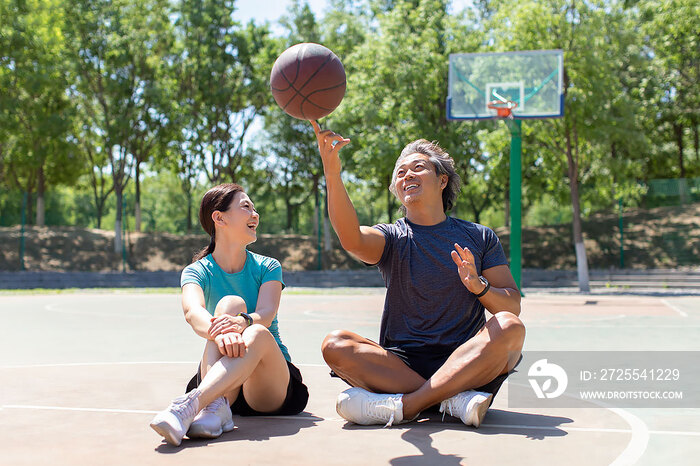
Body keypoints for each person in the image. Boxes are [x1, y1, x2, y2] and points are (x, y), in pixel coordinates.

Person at [311, 121, 525, 428]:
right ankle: (451, 398)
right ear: (398, 190)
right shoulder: (392, 237)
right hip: (400, 363)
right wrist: (332, 173)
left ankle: (407, 405)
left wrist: (479, 287)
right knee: (335, 344)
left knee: (510, 326)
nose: (406, 174)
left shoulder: (480, 236)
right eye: (400, 172)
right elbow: (351, 239)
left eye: (418, 167)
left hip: (465, 357)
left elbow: (511, 306)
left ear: (441, 180)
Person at [150, 183, 308, 446]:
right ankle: (216, 408)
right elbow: (193, 312)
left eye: (254, 208)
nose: (255, 214)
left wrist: (241, 323)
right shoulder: (197, 271)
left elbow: (266, 314)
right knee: (229, 304)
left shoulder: (268, 266)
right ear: (219, 217)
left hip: (267, 381)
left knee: (256, 330)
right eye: (246, 207)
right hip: (225, 381)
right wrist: (223, 329)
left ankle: (189, 406)